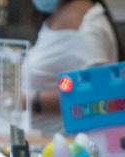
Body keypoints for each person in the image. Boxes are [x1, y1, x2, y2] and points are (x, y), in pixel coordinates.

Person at [24, 0, 123, 134]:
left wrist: (32, 101)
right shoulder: (56, 16)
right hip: (43, 143)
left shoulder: (88, 29)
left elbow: (99, 96)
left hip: (68, 149)